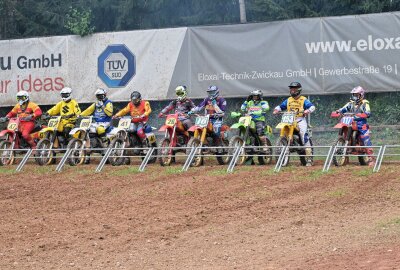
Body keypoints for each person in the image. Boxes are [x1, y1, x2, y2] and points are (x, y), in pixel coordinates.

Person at [273, 82, 315, 166]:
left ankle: (309, 158)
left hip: (300, 120)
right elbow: (280, 106)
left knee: (304, 136)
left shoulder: (303, 99)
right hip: (288, 120)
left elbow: (312, 106)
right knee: (283, 132)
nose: (292, 91)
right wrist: (276, 109)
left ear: (299, 90)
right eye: (291, 89)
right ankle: (284, 149)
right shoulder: (288, 100)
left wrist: (308, 110)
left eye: (294, 89)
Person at [335, 86, 374, 166]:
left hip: (361, 123)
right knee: (343, 129)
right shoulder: (351, 103)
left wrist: (363, 115)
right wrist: (338, 111)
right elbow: (343, 109)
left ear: (361, 95)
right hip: (350, 121)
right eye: (354, 95)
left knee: (365, 138)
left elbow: (368, 112)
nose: (354, 97)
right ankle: (343, 152)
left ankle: (371, 158)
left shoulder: (365, 103)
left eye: (356, 95)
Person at [189, 85, 227, 150]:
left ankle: (219, 147)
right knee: (199, 128)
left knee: (216, 133)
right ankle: (204, 144)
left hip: (217, 120)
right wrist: (192, 111)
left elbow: (222, 113)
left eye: (212, 92)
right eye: (209, 92)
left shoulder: (222, 100)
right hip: (206, 119)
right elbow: (199, 107)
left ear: (216, 92)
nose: (210, 94)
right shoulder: (207, 99)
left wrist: (215, 105)